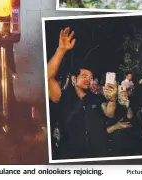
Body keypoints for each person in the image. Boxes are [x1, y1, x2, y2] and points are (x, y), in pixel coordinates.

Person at [47, 27, 117, 159]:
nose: (88, 79)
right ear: (74, 79)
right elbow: (48, 78)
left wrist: (112, 99)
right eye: (84, 76)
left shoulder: (95, 99)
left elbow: (109, 112)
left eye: (90, 78)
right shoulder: (62, 96)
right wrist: (61, 50)